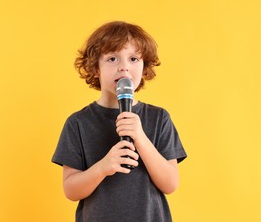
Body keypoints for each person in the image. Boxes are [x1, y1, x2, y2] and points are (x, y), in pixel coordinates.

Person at [51, 21, 187, 222]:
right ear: (95, 68)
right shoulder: (78, 123)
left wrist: (140, 137)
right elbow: (71, 190)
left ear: (144, 66)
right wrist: (103, 167)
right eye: (113, 58)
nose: (124, 67)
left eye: (133, 59)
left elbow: (170, 184)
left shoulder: (159, 118)